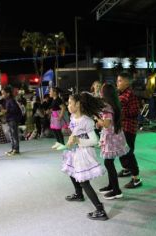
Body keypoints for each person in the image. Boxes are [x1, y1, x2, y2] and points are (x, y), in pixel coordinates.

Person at [61, 92, 108, 220]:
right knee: (71, 171)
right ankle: (78, 194)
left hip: (84, 152)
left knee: (83, 181)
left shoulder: (86, 121)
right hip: (75, 151)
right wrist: (71, 139)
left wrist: (78, 141)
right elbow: (75, 133)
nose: (68, 105)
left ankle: (100, 210)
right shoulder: (72, 117)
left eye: (70, 103)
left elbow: (94, 141)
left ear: (78, 104)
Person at [96, 83, 128, 200]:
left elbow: (106, 123)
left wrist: (97, 119)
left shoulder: (107, 107)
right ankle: (111, 186)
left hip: (111, 138)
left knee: (108, 163)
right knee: (109, 163)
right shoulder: (112, 105)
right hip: (113, 136)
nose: (99, 92)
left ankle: (116, 190)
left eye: (101, 90)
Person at [116, 72, 142, 188]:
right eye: (117, 81)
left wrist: (121, 113)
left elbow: (135, 111)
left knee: (128, 152)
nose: (117, 83)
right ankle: (127, 169)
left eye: (120, 81)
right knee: (121, 150)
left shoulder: (130, 94)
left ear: (127, 82)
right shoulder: (120, 94)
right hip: (121, 127)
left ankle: (136, 178)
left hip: (128, 127)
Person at [0, 86, 23, 156]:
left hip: (13, 119)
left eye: (3, 93)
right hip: (10, 119)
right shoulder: (8, 100)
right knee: (11, 135)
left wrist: (6, 111)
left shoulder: (11, 100)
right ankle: (13, 149)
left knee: (14, 135)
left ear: (8, 93)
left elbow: (15, 109)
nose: (2, 95)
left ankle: (16, 149)